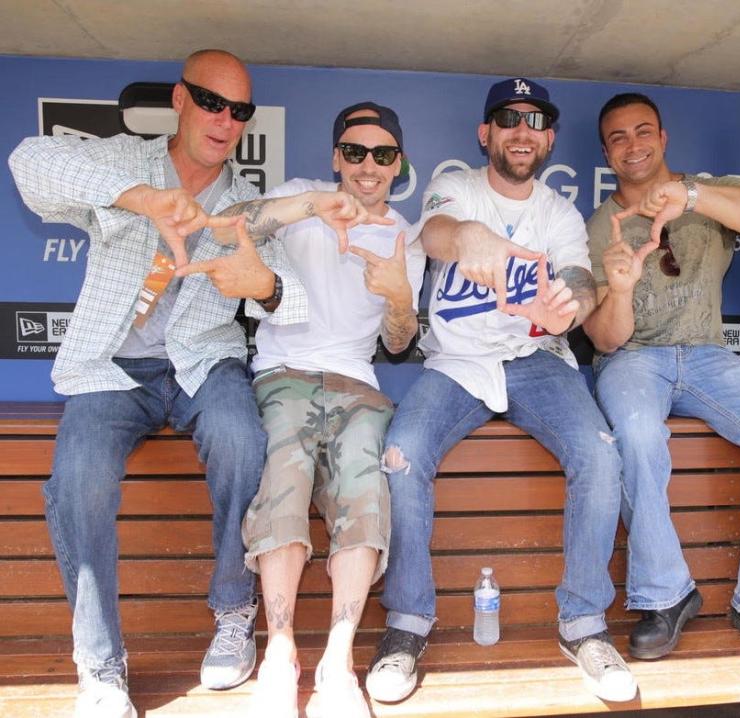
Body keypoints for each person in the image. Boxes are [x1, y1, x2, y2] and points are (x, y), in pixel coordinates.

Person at [8, 49, 314, 718]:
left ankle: (234, 610)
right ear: (179, 99)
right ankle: (100, 666)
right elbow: (27, 163)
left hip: (205, 363)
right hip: (111, 369)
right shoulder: (123, 163)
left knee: (241, 439)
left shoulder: (245, 204)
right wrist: (142, 200)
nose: (224, 120)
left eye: (239, 111)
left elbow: (296, 305)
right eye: (210, 102)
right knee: (79, 477)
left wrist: (261, 284)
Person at [365, 77, 636, 704]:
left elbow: (578, 277)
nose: (523, 131)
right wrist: (469, 238)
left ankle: (584, 624)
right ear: (486, 133)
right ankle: (407, 625)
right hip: (458, 362)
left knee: (599, 453)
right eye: (509, 119)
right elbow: (434, 231)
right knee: (402, 455)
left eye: (536, 121)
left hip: (535, 358)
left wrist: (576, 299)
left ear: (549, 139)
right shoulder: (457, 186)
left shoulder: (559, 212)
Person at [583, 92, 740, 667]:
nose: (633, 146)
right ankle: (665, 596)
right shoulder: (599, 226)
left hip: (709, 356)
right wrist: (618, 287)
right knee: (637, 435)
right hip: (634, 360)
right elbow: (605, 339)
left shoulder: (707, 193)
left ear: (663, 139)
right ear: (608, 155)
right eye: (618, 138)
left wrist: (690, 194)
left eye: (644, 132)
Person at [223, 102, 424, 718]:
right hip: (284, 373)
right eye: (356, 152)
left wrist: (397, 298)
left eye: (383, 154)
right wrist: (313, 206)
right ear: (337, 158)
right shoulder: (299, 198)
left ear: (398, 163)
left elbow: (398, 341)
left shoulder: (405, 236)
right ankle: (280, 652)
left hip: (357, 380)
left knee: (366, 486)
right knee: (284, 468)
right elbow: (229, 223)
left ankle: (338, 661)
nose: (369, 166)